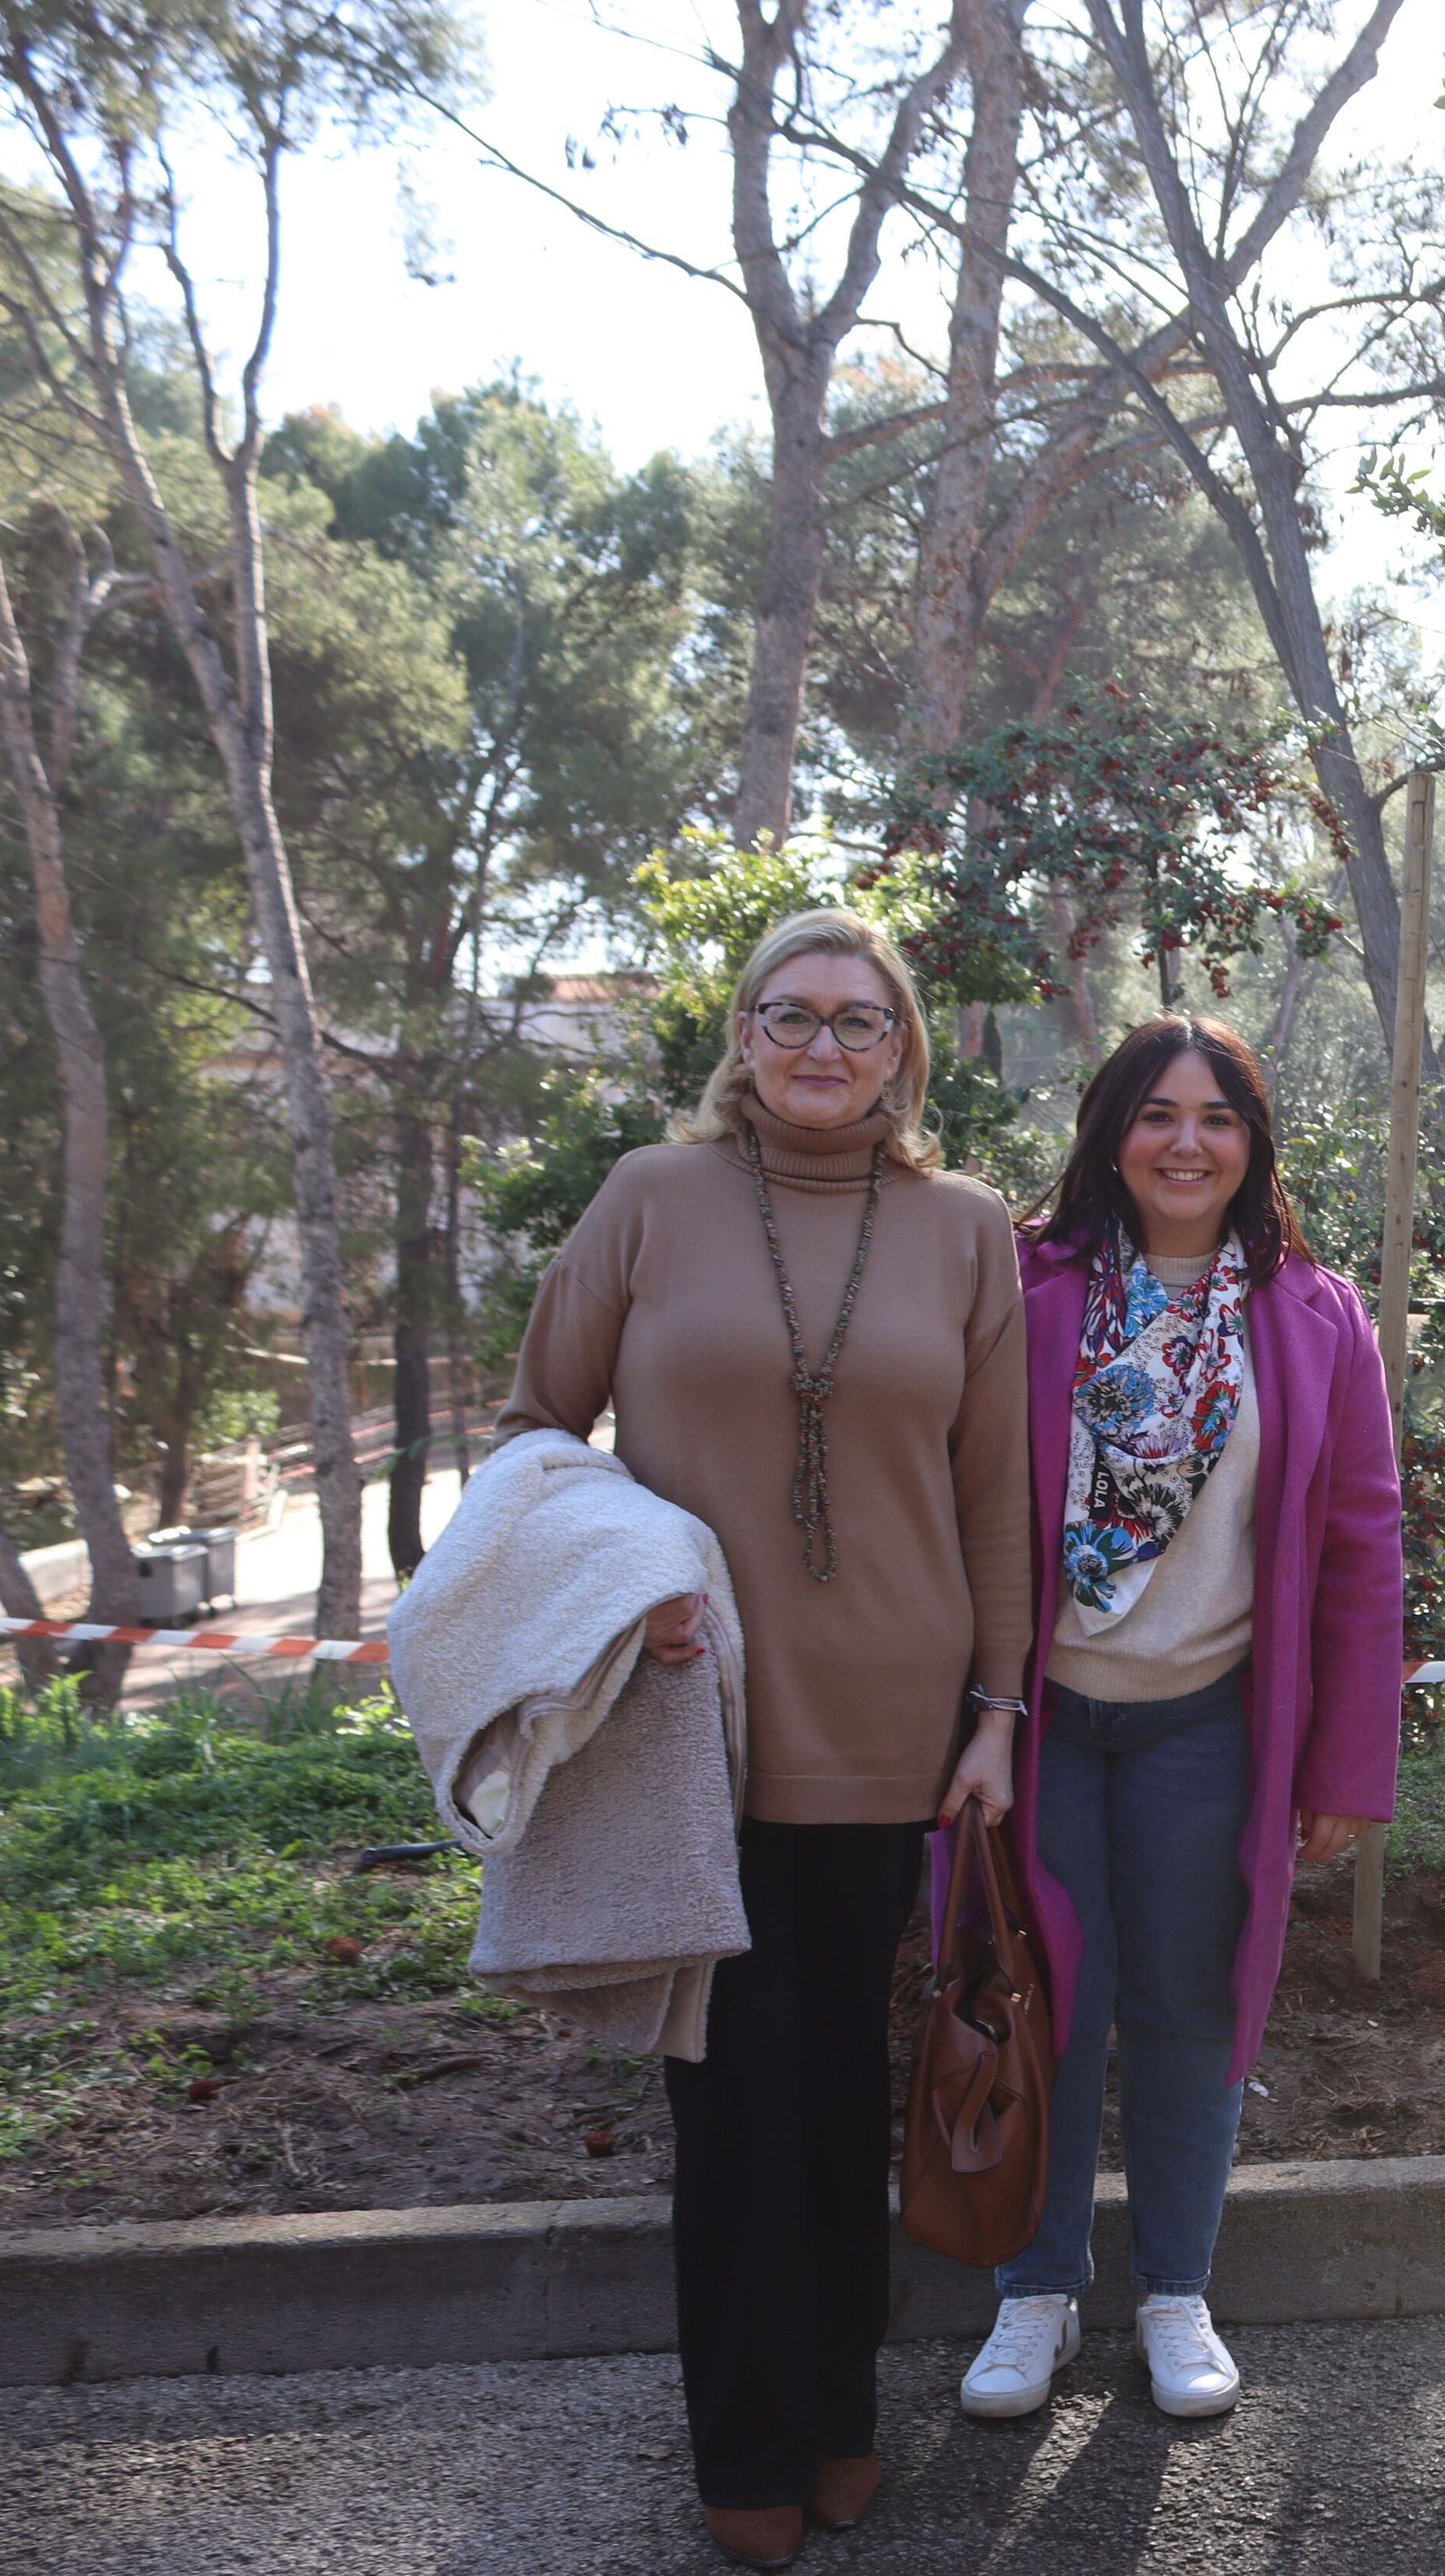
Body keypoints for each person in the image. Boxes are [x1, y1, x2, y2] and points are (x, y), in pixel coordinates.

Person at [495, 910, 1030, 2571]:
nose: (820, 1045)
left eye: (856, 1022)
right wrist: (615, 1583)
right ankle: (748, 2438)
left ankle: (842, 2415)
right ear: (740, 1034)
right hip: (689, 1728)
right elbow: (533, 1437)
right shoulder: (650, 1200)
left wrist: (1001, 1710)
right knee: (730, 2103)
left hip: (895, 1726)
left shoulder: (962, 1231)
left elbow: (994, 1491)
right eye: (786, 1014)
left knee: (840, 2100)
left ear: (903, 1049)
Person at [956, 1015, 1402, 2429]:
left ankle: (1174, 2291)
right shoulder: (1020, 1294)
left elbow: (1360, 1544)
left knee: (1187, 2007)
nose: (1187, 1141)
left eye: (1217, 1115)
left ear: (1253, 1142)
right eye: (1157, 1113)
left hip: (1208, 1725)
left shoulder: (1316, 1316)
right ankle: (1035, 2288)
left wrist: (1341, 1766)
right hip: (1039, 1724)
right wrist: (969, 1713)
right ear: (1110, 1133)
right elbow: (956, 1513)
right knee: (1048, 2003)